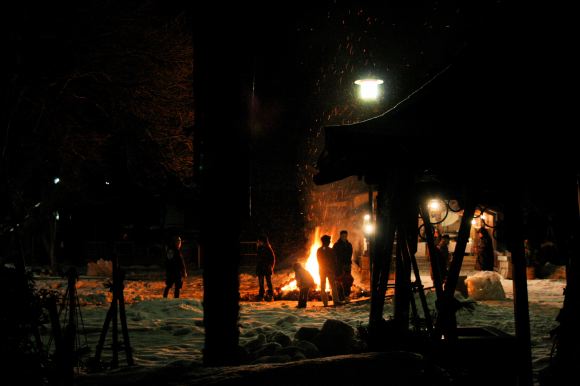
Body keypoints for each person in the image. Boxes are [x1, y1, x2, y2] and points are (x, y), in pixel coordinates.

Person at [316, 235, 342, 306]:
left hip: (323, 271)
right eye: (329, 240)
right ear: (326, 241)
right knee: (332, 286)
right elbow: (334, 261)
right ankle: (335, 301)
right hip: (328, 271)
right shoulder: (330, 250)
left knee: (324, 286)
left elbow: (320, 261)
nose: (330, 242)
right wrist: (332, 269)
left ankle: (326, 302)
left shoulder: (319, 250)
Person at [333, 230, 354, 301]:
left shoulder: (349, 245)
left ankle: (347, 295)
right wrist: (337, 264)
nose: (344, 237)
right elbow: (334, 255)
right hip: (340, 266)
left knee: (347, 281)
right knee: (340, 281)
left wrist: (348, 263)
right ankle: (341, 297)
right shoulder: (336, 245)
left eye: (345, 236)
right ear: (340, 236)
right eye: (343, 236)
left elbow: (350, 254)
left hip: (347, 265)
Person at [256, 235, 276, 301]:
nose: (258, 242)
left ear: (263, 241)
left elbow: (272, 258)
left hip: (266, 268)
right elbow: (258, 259)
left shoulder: (268, 248)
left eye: (259, 241)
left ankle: (270, 294)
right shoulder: (259, 248)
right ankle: (261, 294)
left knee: (268, 282)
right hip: (260, 268)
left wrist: (271, 266)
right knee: (261, 282)